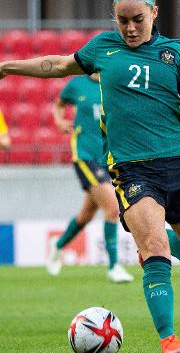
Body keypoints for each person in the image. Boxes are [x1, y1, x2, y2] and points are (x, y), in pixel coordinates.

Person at [0, 0, 180, 353]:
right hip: (131, 169)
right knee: (154, 248)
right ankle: (169, 341)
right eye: (122, 20)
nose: (129, 28)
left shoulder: (174, 53)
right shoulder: (102, 48)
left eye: (137, 19)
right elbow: (57, 64)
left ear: (153, 13)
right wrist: (9, 67)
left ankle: (155, 242)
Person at [47, 73, 134, 283]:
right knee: (113, 207)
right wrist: (60, 121)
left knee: (86, 215)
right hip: (85, 155)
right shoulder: (77, 84)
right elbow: (59, 104)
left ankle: (57, 246)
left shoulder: (114, 82)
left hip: (107, 157)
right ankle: (114, 266)